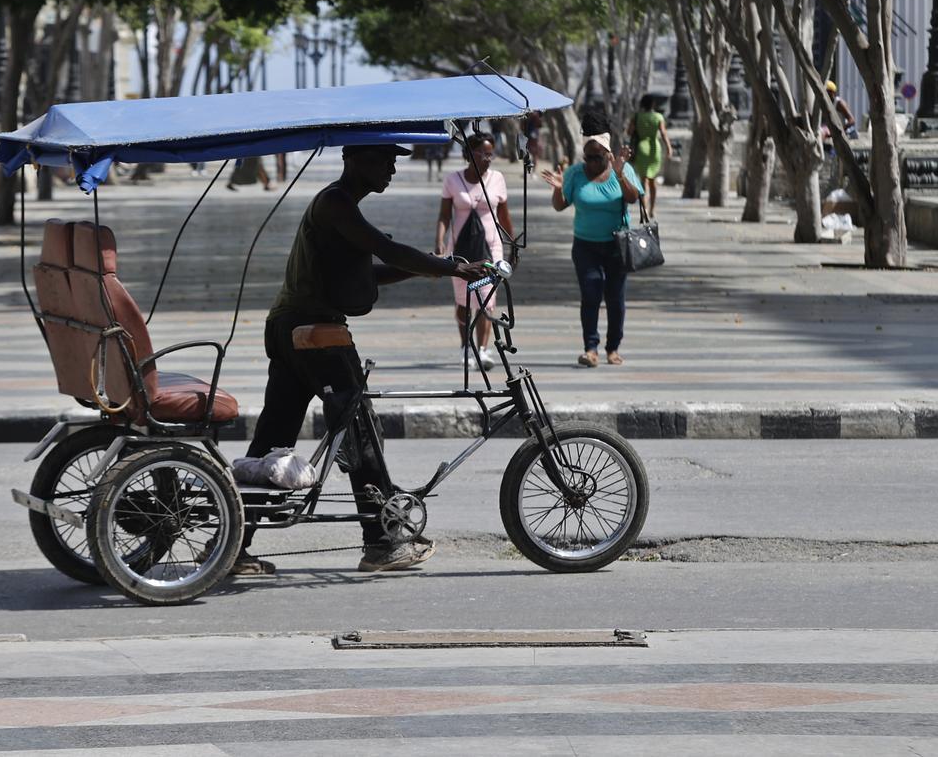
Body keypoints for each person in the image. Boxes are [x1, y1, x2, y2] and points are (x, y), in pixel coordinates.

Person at [240, 143, 488, 575]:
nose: (391, 168)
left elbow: (370, 272)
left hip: (290, 328)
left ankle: (231, 545)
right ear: (353, 159)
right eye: (384, 159)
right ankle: (381, 543)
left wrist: (432, 266)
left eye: (394, 161)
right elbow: (387, 252)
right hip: (316, 334)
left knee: (271, 442)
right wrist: (449, 268)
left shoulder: (341, 209)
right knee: (360, 434)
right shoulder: (336, 203)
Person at [539, 106, 642, 368]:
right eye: (588, 157)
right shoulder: (575, 173)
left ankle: (613, 347)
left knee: (615, 298)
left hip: (617, 245)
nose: (593, 162)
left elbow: (633, 198)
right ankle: (591, 348)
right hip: (585, 246)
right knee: (591, 294)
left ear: (608, 153)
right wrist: (558, 188)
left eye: (598, 157)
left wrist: (619, 174)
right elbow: (560, 206)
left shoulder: (622, 170)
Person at [435, 132, 514, 370]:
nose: (488, 159)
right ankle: (465, 347)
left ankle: (482, 349)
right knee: (464, 300)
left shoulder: (497, 179)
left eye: (491, 155)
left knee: (486, 300)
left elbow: (504, 216)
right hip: (460, 249)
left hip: (491, 249)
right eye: (483, 154)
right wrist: (439, 241)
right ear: (469, 154)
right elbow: (444, 215)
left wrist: (512, 245)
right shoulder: (453, 180)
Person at [626, 95, 672, 219]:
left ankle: (644, 208)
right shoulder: (658, 117)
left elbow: (629, 132)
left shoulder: (637, 116)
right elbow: (663, 133)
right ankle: (652, 209)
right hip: (654, 149)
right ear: (653, 104)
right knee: (653, 181)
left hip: (641, 149)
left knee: (644, 181)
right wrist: (669, 148)